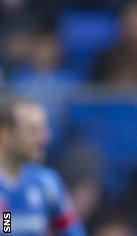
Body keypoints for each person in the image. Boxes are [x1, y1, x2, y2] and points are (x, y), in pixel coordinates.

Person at [0, 94, 86, 235]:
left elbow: (72, 231)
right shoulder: (5, 197)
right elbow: (6, 227)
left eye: (43, 129)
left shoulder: (46, 183)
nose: (44, 137)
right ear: (3, 133)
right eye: (33, 131)